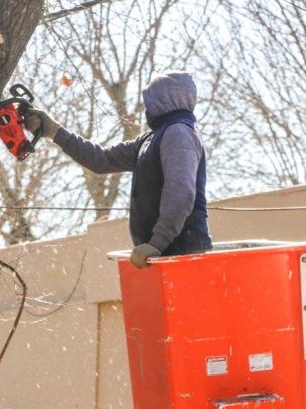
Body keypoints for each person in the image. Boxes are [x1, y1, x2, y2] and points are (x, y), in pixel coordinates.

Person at [26, 70, 213, 268]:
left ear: (163, 100)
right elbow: (101, 159)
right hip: (160, 255)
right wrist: (54, 131)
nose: (147, 108)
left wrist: (157, 243)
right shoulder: (150, 140)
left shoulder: (178, 133)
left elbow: (180, 193)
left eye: (149, 101)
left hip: (185, 256)